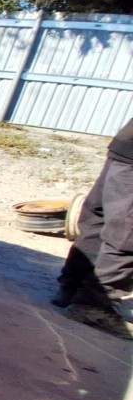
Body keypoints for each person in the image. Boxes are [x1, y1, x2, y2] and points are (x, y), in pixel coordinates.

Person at [53, 116, 133, 339]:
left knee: (100, 219)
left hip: (126, 146)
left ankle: (73, 288)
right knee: (127, 234)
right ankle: (93, 305)